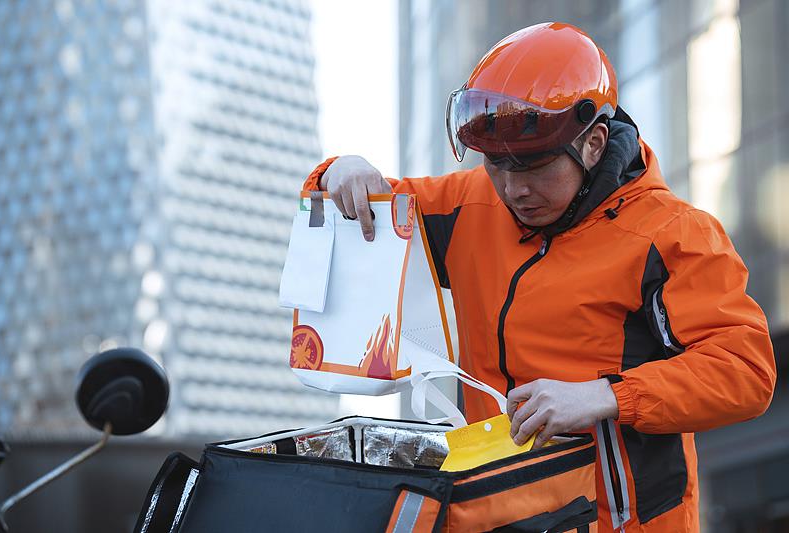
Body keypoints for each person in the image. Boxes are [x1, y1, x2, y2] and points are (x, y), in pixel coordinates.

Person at [301, 22, 775, 532]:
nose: (512, 189)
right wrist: (338, 171)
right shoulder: (467, 203)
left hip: (622, 522)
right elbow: (359, 210)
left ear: (593, 143)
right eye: (496, 165)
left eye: (533, 166)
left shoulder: (673, 234)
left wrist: (606, 397)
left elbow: (746, 370)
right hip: (494, 513)